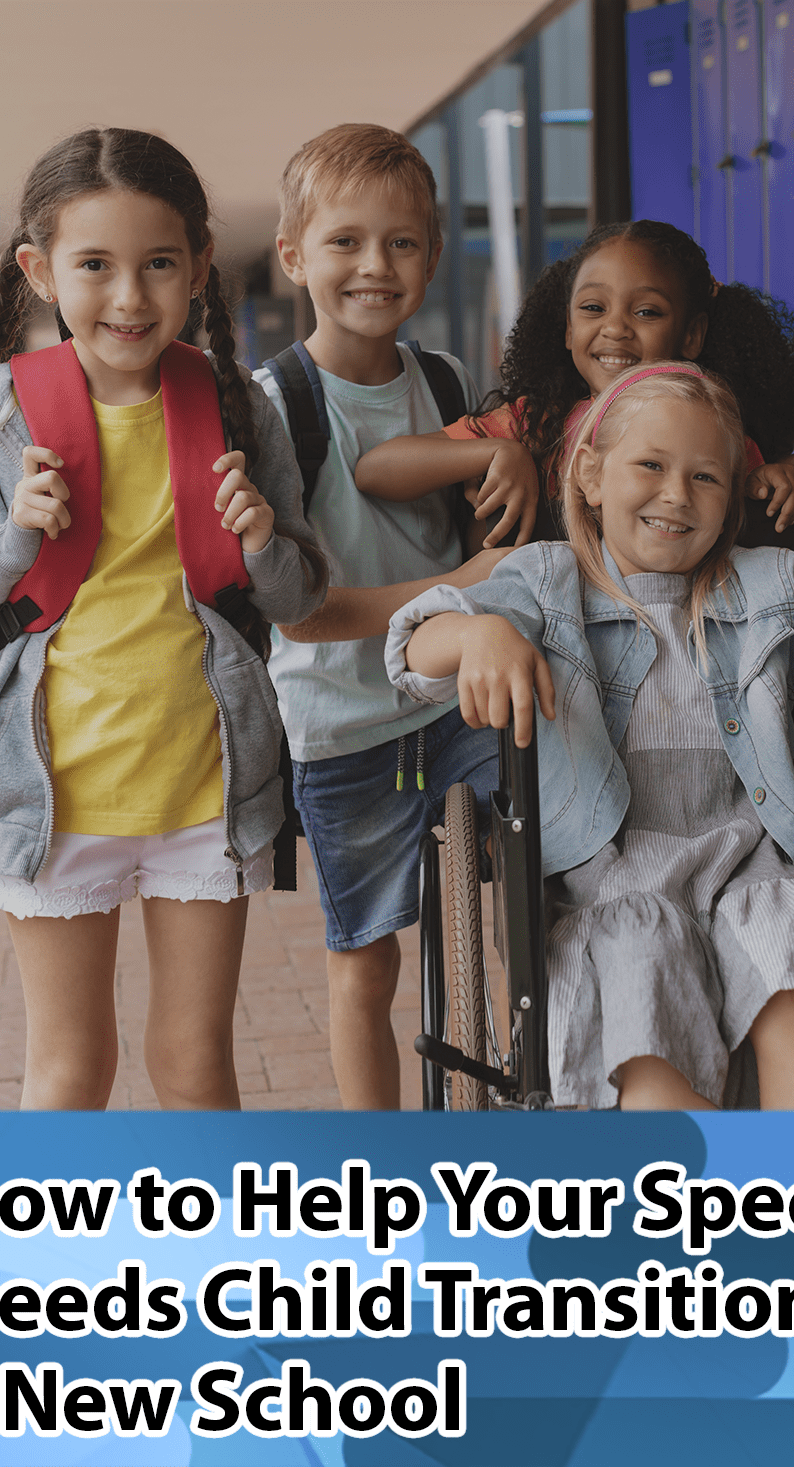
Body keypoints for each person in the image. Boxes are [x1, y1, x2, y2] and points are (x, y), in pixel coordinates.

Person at [385, 364, 794, 1110]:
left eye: (704, 478)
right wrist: (479, 632)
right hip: (614, 877)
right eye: (649, 466)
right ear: (590, 475)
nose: (674, 495)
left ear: (729, 502)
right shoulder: (543, 583)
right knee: (644, 970)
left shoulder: (763, 584)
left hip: (750, 863)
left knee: (791, 975)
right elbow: (413, 646)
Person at [0, 128, 327, 1109]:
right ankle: (52, 1266)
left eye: (158, 265)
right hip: (47, 800)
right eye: (95, 264)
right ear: (38, 271)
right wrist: (8, 544)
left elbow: (302, 599)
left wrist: (264, 541)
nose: (130, 297)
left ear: (197, 268)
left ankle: (212, 1258)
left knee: (195, 1065)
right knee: (68, 1071)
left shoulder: (237, 410)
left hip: (207, 795)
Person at [255, 123, 523, 1110]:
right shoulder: (274, 405)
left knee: (536, 918)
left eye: (403, 243)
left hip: (463, 704)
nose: (376, 265)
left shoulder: (448, 381)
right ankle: (385, 1167)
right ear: (293, 256)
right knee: (365, 970)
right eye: (345, 242)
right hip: (345, 726)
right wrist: (465, 585)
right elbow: (305, 618)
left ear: (435, 256)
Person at [354, 219, 794, 543]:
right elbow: (376, 470)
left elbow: (751, 498)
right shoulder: (535, 423)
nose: (615, 328)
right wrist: (499, 451)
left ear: (692, 334)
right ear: (568, 328)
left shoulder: (716, 433)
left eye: (646, 312)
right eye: (594, 308)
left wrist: (770, 481)